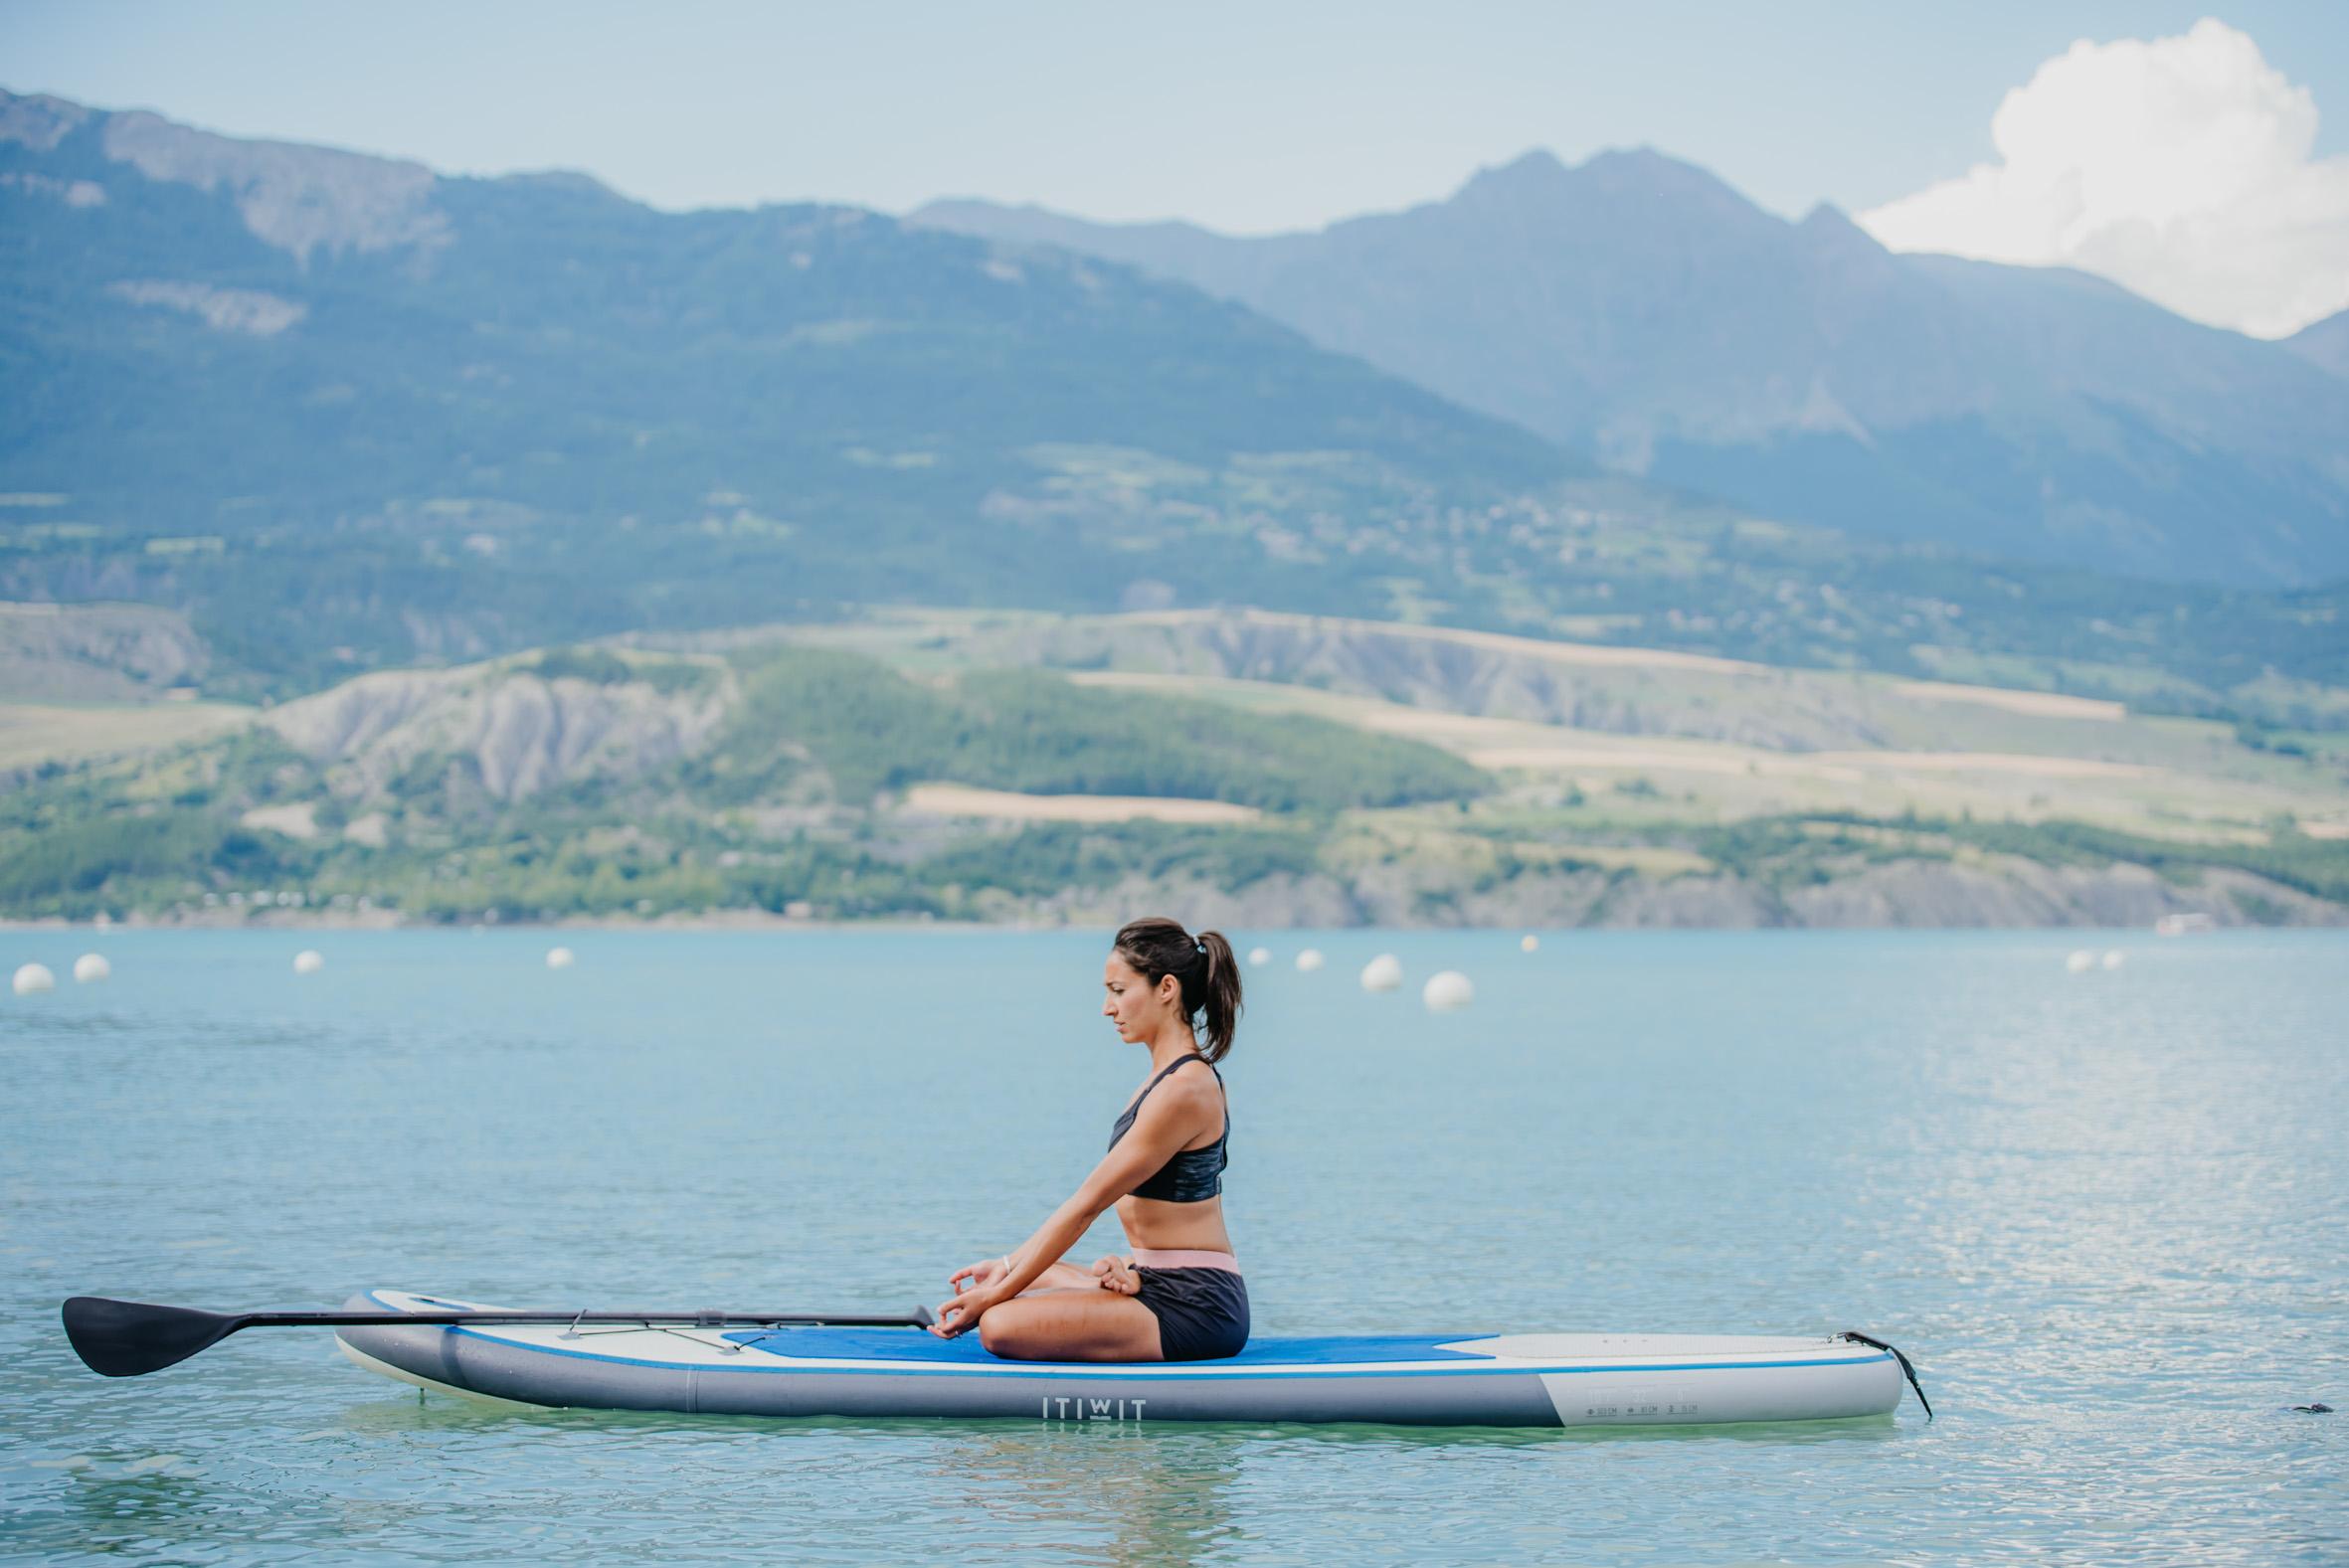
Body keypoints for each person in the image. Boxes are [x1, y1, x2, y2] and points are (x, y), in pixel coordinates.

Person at [932, 916, 1248, 1361]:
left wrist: (994, 1296)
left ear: (1166, 989)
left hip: (1195, 1306)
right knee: (1030, 1278)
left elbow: (1086, 1205)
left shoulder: (1185, 1088)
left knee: (999, 1325)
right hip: (1156, 1281)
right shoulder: (1162, 1078)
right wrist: (1006, 1269)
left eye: (1118, 991)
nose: (1107, 1007)